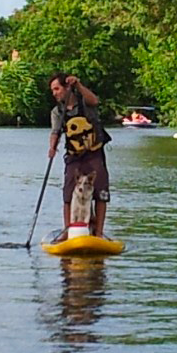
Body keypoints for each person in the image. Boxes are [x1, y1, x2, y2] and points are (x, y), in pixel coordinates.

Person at [47, 72, 111, 239]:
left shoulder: (85, 103)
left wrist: (78, 85)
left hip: (94, 154)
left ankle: (98, 232)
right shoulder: (57, 112)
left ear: (67, 88)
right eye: (53, 90)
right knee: (68, 193)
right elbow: (55, 132)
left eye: (57, 89)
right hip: (74, 156)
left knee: (101, 192)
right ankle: (68, 230)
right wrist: (52, 147)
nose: (54, 93)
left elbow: (95, 101)